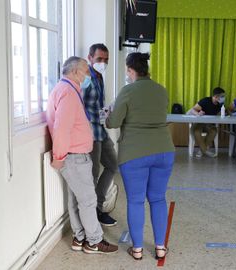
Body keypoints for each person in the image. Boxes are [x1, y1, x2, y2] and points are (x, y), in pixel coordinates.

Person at [106, 52, 175, 260]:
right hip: (163, 151)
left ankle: (137, 250)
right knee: (158, 199)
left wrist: (109, 113)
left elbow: (114, 123)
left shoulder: (128, 90)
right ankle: (161, 247)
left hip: (134, 153)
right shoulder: (161, 90)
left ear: (130, 69)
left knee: (136, 201)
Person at [46, 56, 118, 254]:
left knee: (76, 200)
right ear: (76, 71)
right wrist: (59, 157)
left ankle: (79, 238)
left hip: (74, 155)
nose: (88, 75)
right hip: (74, 156)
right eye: (86, 71)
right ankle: (94, 241)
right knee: (88, 201)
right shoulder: (68, 93)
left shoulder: (65, 89)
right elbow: (61, 129)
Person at [83, 43, 118, 226]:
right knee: (93, 174)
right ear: (90, 58)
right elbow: (79, 107)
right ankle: (92, 215)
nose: (103, 63)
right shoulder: (86, 78)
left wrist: (105, 112)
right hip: (90, 133)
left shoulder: (100, 77)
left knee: (113, 165)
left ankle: (98, 206)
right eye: (99, 59)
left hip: (100, 130)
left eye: (106, 60)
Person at [187, 87, 226, 158]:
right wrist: (198, 114)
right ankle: (205, 151)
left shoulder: (220, 104)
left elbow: (220, 115)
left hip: (210, 124)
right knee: (196, 131)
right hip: (199, 123)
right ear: (216, 96)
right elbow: (193, 110)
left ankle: (202, 150)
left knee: (214, 131)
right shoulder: (205, 101)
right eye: (222, 96)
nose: (223, 98)